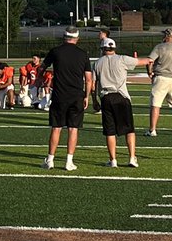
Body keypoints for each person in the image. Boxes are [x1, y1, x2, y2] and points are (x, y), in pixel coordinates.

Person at [39, 27, 93, 172]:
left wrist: (41, 79)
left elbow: (42, 68)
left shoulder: (55, 51)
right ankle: (69, 161)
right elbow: (88, 79)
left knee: (56, 128)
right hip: (76, 95)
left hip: (59, 95)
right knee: (73, 129)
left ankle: (50, 159)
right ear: (77, 38)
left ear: (64, 37)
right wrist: (86, 96)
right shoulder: (83, 54)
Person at [93, 38, 149, 167]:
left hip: (106, 97)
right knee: (129, 129)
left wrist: (94, 99)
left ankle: (113, 160)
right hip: (122, 96)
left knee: (110, 131)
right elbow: (144, 61)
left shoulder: (97, 63)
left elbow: (93, 84)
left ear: (102, 49)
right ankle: (131, 157)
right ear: (114, 48)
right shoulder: (122, 59)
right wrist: (153, 58)